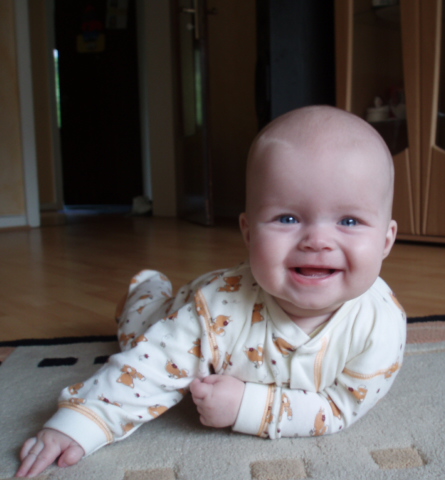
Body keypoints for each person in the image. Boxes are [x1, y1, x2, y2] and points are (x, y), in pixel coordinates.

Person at [17, 106, 406, 477]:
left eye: (349, 221)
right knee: (137, 332)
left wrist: (245, 406)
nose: (317, 241)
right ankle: (147, 289)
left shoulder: (381, 325)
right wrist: (80, 424)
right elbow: (149, 367)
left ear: (386, 241)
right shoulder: (216, 308)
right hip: (188, 311)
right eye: (288, 218)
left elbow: (338, 408)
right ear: (248, 232)